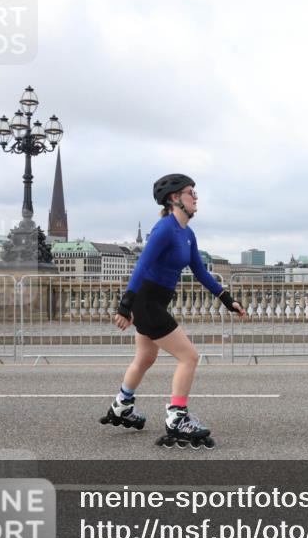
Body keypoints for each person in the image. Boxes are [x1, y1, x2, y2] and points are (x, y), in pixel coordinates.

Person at [105, 173, 245, 449]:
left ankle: (122, 404)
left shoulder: (187, 234)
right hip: (147, 301)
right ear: (174, 198)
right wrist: (126, 304)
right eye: (191, 192)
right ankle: (177, 417)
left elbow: (201, 272)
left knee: (145, 357)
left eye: (195, 193)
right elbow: (142, 265)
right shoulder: (165, 229)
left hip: (156, 301)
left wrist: (227, 299)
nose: (196, 197)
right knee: (189, 356)